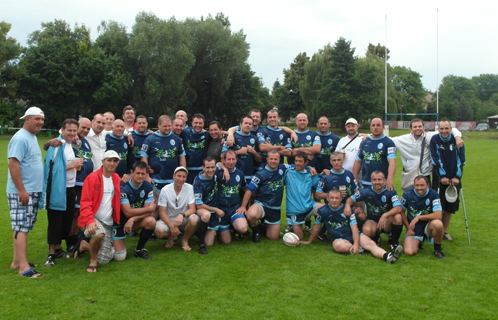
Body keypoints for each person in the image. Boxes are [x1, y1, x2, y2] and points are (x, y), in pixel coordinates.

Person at [301, 189, 403, 264]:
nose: (334, 200)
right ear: (327, 198)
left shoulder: (347, 210)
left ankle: (388, 256)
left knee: (371, 243)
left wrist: (356, 242)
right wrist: (309, 241)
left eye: (337, 198)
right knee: (337, 245)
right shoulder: (322, 211)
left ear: (341, 199)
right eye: (331, 198)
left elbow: (354, 229)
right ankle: (359, 249)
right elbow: (317, 227)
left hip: (353, 235)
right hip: (339, 239)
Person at [7, 107, 45, 277]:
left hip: (31, 190)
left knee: (25, 226)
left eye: (42, 119)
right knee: (20, 227)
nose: (40, 122)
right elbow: (13, 164)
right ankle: (23, 268)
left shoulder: (31, 137)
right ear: (27, 119)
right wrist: (21, 190)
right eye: (36, 119)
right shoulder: (20, 138)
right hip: (22, 192)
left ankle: (17, 261)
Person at [42, 118, 84, 267]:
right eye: (69, 130)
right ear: (62, 130)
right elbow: (52, 169)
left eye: (74, 130)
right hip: (58, 189)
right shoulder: (57, 145)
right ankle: (51, 253)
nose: (72, 133)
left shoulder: (69, 144)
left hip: (70, 188)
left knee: (66, 220)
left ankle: (58, 249)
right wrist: (72, 165)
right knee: (55, 220)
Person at [74, 151, 122, 272]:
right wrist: (90, 221)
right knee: (98, 233)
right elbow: (85, 203)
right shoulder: (92, 178)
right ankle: (92, 261)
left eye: (115, 161)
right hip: (92, 218)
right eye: (109, 160)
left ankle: (85, 245)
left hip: (108, 223)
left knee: (105, 260)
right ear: (102, 161)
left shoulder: (116, 178)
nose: (112, 163)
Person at [391, 118, 463, 189]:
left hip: (425, 175)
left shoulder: (429, 136)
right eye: (415, 127)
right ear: (411, 129)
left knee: (427, 199)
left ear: (423, 128)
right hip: (410, 175)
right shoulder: (403, 139)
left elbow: (451, 129)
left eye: (420, 126)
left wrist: (457, 137)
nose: (418, 128)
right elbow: (388, 140)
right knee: (410, 199)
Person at [239, 150, 291, 242]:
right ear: (267, 159)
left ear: (279, 160)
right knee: (251, 215)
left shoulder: (282, 168)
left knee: (273, 237)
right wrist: (243, 206)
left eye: (275, 159)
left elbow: (296, 166)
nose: (273, 161)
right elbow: (249, 190)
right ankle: (256, 232)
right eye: (271, 159)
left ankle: (262, 227)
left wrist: (309, 168)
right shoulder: (261, 174)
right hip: (261, 204)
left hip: (275, 208)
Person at [345, 171, 404, 250]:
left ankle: (394, 243)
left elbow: (398, 208)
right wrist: (347, 206)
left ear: (384, 181)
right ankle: (376, 239)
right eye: (374, 180)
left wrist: (385, 215)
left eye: (379, 180)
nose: (377, 182)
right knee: (366, 230)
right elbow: (350, 199)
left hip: (387, 221)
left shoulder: (390, 191)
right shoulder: (366, 191)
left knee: (398, 217)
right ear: (371, 181)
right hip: (373, 221)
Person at [430, 120, 466, 242]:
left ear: (451, 129)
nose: (444, 131)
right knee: (439, 206)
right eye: (442, 129)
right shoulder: (434, 140)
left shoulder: (457, 140)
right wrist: (442, 177)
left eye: (446, 128)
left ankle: (444, 231)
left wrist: (457, 177)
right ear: (438, 129)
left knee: (450, 206)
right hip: (439, 179)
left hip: (455, 178)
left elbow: (461, 160)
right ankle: (436, 230)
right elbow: (435, 159)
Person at [112, 161, 156, 261]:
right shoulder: (123, 186)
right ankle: (89, 242)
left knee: (151, 221)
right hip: (118, 224)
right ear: (132, 172)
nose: (140, 176)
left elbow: (148, 213)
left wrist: (132, 219)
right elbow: (127, 212)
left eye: (143, 174)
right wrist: (148, 209)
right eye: (137, 173)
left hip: (132, 223)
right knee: (119, 257)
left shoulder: (148, 186)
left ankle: (139, 249)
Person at [155, 166, 201, 251]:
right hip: (169, 219)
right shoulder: (165, 190)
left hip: (183, 219)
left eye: (184, 177)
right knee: (158, 231)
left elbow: (192, 209)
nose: (181, 179)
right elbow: (161, 212)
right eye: (179, 176)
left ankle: (184, 240)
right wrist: (172, 226)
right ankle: (172, 236)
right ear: (174, 176)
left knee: (195, 219)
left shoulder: (189, 188)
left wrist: (182, 215)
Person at [400, 175, 446, 259]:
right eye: (417, 185)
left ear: (427, 185)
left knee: (438, 224)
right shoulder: (407, 194)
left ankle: (437, 249)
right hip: (414, 228)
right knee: (408, 252)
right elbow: (401, 212)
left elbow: (438, 215)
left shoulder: (433, 194)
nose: (419, 188)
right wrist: (408, 228)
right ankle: (419, 241)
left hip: (428, 225)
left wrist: (418, 217)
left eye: (422, 185)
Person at [283, 152, 324, 239]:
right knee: (299, 238)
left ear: (306, 163)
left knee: (329, 210)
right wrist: (310, 167)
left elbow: (323, 183)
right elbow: (277, 166)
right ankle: (292, 224)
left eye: (300, 161)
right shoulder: (288, 172)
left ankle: (322, 232)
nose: (297, 163)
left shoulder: (311, 175)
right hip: (295, 210)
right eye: (296, 161)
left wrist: (327, 171)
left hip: (309, 205)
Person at [141, 115, 186, 189]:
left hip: (173, 181)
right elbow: (143, 158)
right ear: (159, 125)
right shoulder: (150, 139)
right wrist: (147, 176)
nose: (167, 128)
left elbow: (182, 157)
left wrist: (183, 175)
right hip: (155, 181)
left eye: (169, 126)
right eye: (165, 126)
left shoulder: (177, 139)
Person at [69, 117, 93, 252]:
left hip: (84, 184)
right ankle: (71, 241)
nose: (86, 130)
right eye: (83, 127)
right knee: (73, 213)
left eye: (88, 128)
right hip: (74, 183)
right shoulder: (71, 141)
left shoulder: (85, 142)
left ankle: (78, 239)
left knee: (80, 213)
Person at [353, 118, 396, 191]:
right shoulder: (364, 142)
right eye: (373, 125)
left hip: (382, 183)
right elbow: (358, 161)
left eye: (378, 125)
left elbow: (392, 162)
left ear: (383, 127)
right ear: (370, 127)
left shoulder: (388, 143)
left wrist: (390, 179)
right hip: (366, 182)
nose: (375, 127)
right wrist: (355, 177)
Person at [216, 150, 248, 243]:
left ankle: (235, 228)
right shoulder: (217, 172)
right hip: (222, 210)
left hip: (234, 208)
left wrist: (243, 206)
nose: (231, 162)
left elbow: (246, 190)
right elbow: (216, 163)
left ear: (236, 160)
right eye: (228, 159)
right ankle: (224, 229)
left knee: (243, 228)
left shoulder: (240, 174)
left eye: (233, 159)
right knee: (226, 242)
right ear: (224, 160)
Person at [193, 157, 222, 251]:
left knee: (209, 243)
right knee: (206, 214)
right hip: (202, 209)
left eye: (213, 167)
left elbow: (221, 163)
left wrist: (225, 170)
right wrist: (216, 209)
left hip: (213, 211)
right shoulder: (198, 181)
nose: (210, 170)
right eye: (208, 167)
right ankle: (201, 245)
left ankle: (199, 232)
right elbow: (199, 205)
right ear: (203, 167)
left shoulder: (215, 174)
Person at [222, 116, 262, 184]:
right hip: (233, 175)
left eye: (250, 124)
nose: (247, 125)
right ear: (241, 124)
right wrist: (239, 152)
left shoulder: (254, 139)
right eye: (245, 123)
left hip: (249, 176)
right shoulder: (231, 137)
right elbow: (222, 155)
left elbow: (260, 160)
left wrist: (254, 152)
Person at [182, 113, 211, 184]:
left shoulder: (207, 135)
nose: (198, 125)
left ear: (203, 124)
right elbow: (172, 131)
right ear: (192, 123)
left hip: (201, 171)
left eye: (200, 123)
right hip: (187, 170)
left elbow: (220, 133)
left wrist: (230, 135)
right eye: (196, 123)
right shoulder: (184, 133)